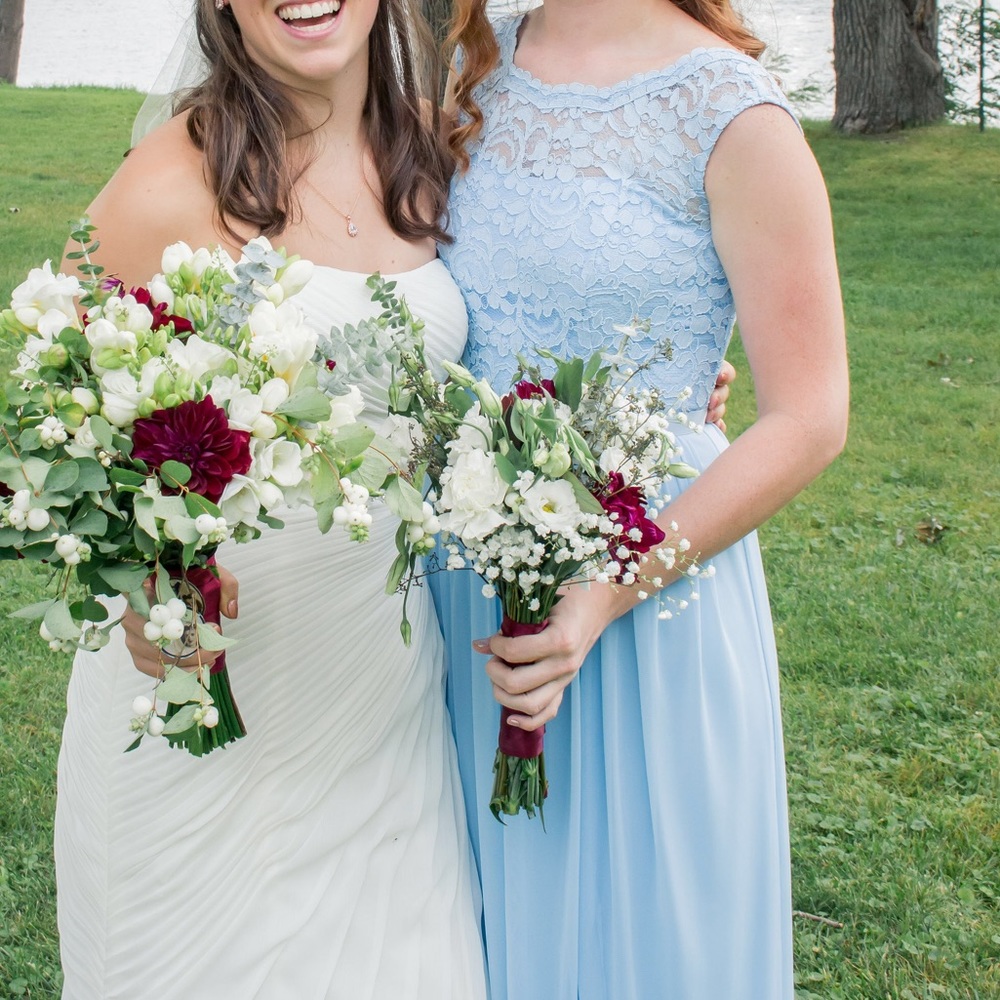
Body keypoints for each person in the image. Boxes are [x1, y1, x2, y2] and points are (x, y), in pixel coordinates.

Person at [53, 2, 490, 997]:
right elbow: (49, 411)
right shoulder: (170, 182)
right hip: (207, 706)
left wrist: (687, 390)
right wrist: (138, 582)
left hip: (379, 706)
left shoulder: (435, 148)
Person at [429, 1, 849, 998]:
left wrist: (607, 589)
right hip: (468, 587)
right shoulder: (474, 60)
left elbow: (811, 417)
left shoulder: (735, 115)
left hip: (644, 588)